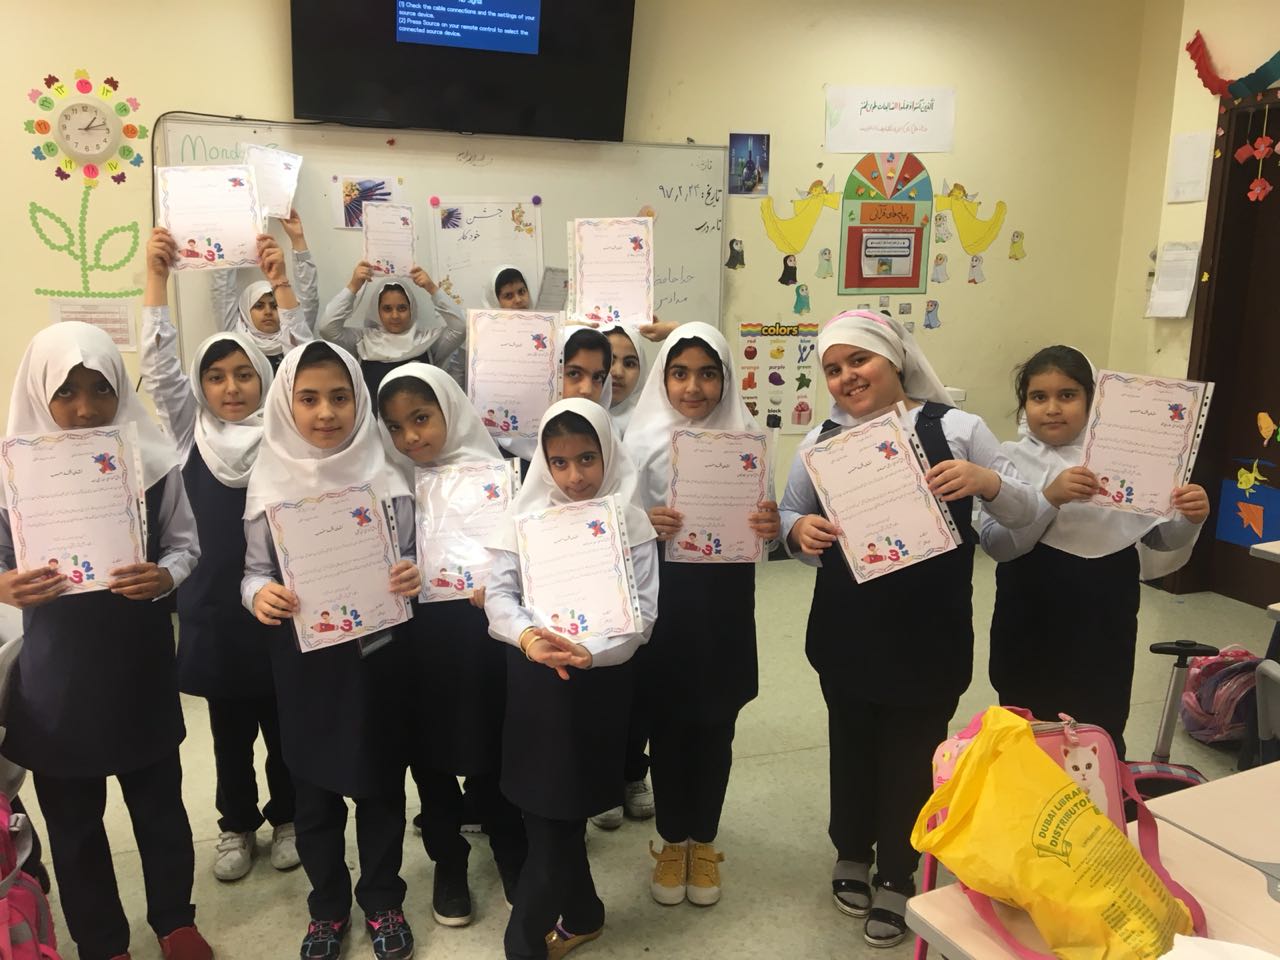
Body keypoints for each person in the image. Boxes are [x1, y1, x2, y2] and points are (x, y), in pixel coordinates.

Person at [779, 310, 1039, 947]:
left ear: (894, 359)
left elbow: (1026, 513)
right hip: (846, 629)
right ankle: (851, 848)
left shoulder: (958, 429)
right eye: (833, 369)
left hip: (929, 633)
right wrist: (798, 531)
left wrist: (989, 482)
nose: (847, 377)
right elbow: (791, 512)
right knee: (851, 743)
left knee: (912, 753)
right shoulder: (821, 442)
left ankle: (899, 869)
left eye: (859, 360)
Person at [0, 322, 211, 960]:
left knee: (160, 807)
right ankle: (102, 941)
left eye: (101, 389)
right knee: (74, 824)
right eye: (66, 392)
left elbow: (186, 546)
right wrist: (5, 583)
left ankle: (174, 920)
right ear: (39, 394)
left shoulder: (152, 466)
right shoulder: (12, 475)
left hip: (136, 666)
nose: (86, 408)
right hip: (57, 680)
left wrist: (165, 575)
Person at [242, 341, 421, 960]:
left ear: (359, 401)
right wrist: (258, 595)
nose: (326, 413)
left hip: (377, 659)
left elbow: (415, 557)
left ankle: (383, 899)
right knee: (313, 792)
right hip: (305, 662)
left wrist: (413, 574)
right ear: (286, 404)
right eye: (310, 398)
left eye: (340, 397)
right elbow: (253, 572)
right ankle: (327, 907)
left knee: (380, 786)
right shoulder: (269, 481)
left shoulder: (388, 475)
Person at [140, 226, 300, 882]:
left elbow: (304, 359)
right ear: (200, 386)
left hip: (279, 604)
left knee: (284, 724)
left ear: (265, 379)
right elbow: (159, 368)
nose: (231, 387)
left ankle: (288, 816)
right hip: (212, 610)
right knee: (228, 730)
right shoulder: (189, 433)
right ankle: (236, 824)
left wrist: (283, 286)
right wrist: (156, 281)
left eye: (243, 374)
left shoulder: (286, 432)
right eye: (216, 376)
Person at [484, 398, 658, 960]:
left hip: (594, 685)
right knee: (543, 809)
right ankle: (583, 913)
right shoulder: (524, 518)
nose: (574, 476)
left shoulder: (630, 521)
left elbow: (643, 616)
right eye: (559, 462)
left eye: (587, 458)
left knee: (561, 812)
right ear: (543, 462)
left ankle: (523, 944)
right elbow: (499, 596)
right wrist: (528, 638)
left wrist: (590, 652)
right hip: (534, 679)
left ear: (608, 453)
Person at [981, 345, 1209, 757]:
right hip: (1029, 618)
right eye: (1038, 396)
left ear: (1093, 401)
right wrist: (1049, 497)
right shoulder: (1007, 460)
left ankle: (1101, 790)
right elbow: (999, 545)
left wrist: (1190, 517)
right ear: (1024, 404)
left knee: (1100, 719)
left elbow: (1160, 540)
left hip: (1105, 619)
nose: (1053, 408)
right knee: (1027, 722)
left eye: (1068, 395)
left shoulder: (1127, 461)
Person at [625, 322, 780, 908]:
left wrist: (769, 526)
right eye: (680, 373)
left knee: (716, 726)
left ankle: (705, 842)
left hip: (723, 606)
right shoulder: (637, 443)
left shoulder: (747, 441)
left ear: (726, 379)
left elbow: (766, 531)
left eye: (708, 374)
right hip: (664, 603)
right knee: (668, 725)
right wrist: (644, 522)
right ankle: (672, 842)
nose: (693, 387)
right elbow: (608, 524)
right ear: (663, 379)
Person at [376, 363, 528, 925]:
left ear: (450, 411)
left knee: (496, 742)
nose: (410, 438)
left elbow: (529, 555)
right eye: (395, 427)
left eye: (421, 418)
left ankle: (511, 848)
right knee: (430, 753)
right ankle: (448, 860)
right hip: (420, 641)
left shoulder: (498, 477)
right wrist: (404, 570)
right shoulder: (390, 482)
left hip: (486, 635)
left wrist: (504, 579)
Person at [318, 262, 466, 403]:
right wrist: (353, 286)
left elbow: (459, 328)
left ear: (411, 309)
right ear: (377, 311)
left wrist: (432, 288)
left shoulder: (428, 341)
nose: (395, 316)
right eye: (387, 309)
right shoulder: (363, 340)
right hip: (374, 421)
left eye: (402, 308)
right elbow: (327, 328)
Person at [211, 209, 318, 370]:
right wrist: (228, 236)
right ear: (245, 313)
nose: (268, 312)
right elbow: (222, 290)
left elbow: (308, 295)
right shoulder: (235, 337)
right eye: (259, 306)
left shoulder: (296, 336)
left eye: (274, 306)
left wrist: (298, 239)